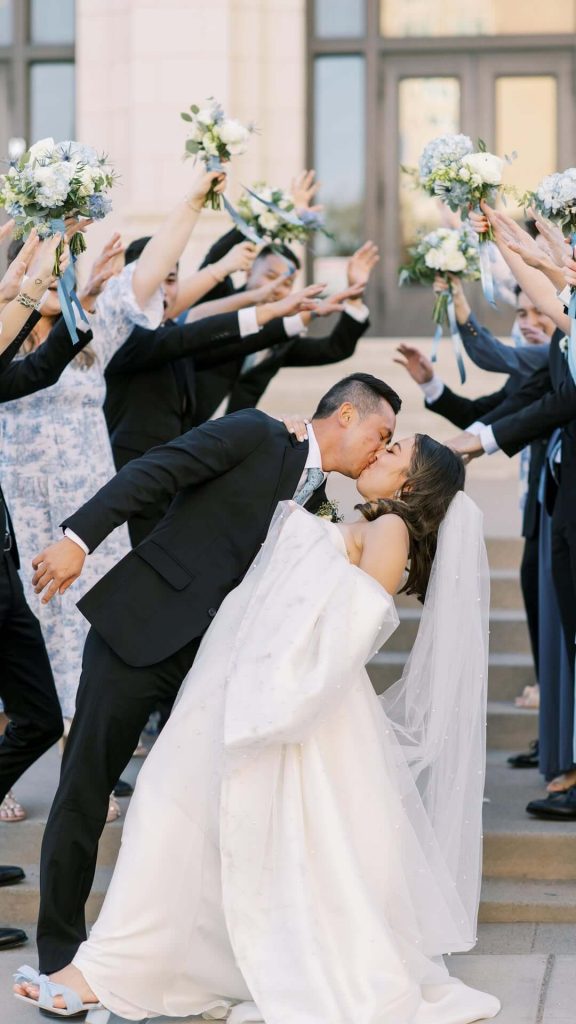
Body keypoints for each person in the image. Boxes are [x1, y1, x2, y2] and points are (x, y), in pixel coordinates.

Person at [14, 435, 502, 1023]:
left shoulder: (392, 532)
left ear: (411, 484)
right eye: (383, 439)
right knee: (174, 818)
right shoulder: (361, 516)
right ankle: (111, 968)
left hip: (282, 708)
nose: (379, 453)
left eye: (393, 450)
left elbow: (348, 638)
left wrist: (271, 707)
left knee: (177, 818)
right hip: (234, 687)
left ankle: (106, 973)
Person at [27, 372, 400, 975]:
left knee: (194, 805)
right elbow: (155, 470)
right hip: (139, 631)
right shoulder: (256, 432)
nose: (381, 449)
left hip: (215, 664)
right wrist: (79, 539)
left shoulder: (324, 501)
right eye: (382, 433)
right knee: (85, 792)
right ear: (347, 416)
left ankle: (166, 952)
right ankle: (59, 956)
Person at [450, 201, 576, 819]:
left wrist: (481, 441)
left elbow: (557, 296)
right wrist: (509, 236)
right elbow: (555, 294)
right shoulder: (566, 323)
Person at [0, 235, 88, 949]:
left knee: (38, 714)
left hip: (2, 571)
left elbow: (32, 370)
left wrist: (65, 297)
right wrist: (29, 259)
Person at [190, 240, 378, 423]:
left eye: (287, 283)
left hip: (226, 435)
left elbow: (335, 348)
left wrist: (354, 296)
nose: (277, 288)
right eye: (271, 276)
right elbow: (215, 258)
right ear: (248, 273)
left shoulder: (283, 336)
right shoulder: (220, 301)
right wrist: (269, 217)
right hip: (182, 420)